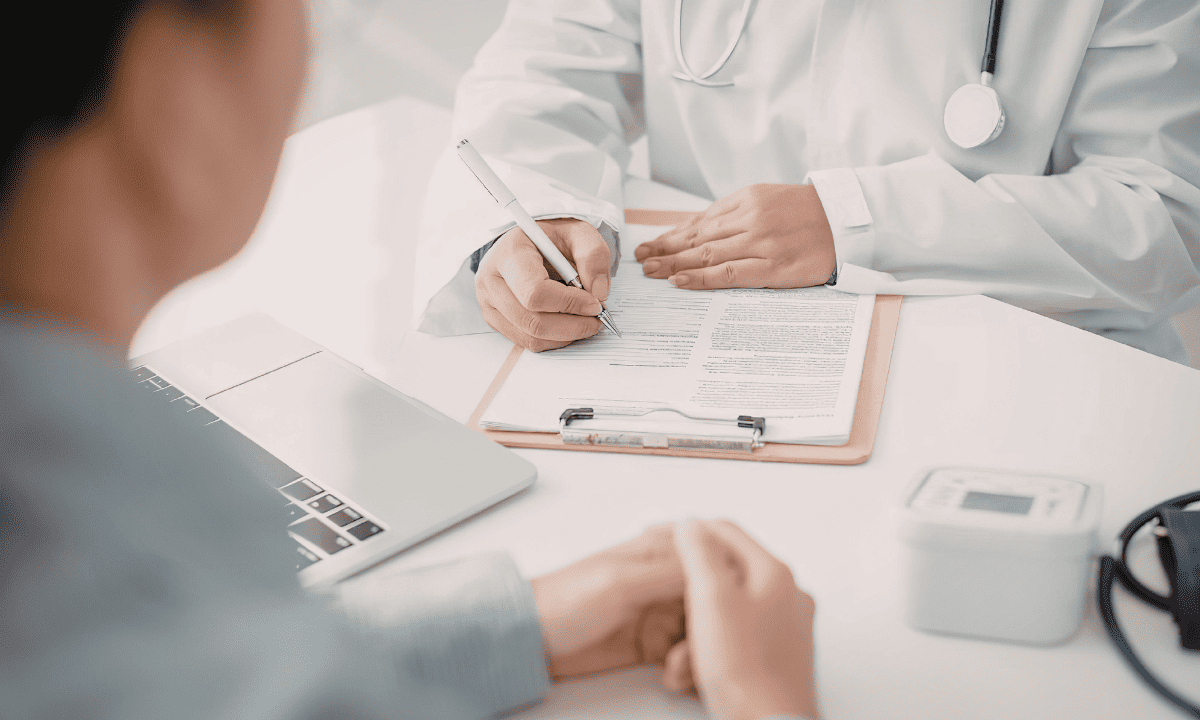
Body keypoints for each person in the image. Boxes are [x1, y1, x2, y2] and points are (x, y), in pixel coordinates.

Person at [0, 1, 819, 719]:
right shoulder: (110, 524)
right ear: (167, 86)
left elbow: (157, 681)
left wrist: (512, 623)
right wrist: (763, 700)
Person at [414, 0, 1200, 362]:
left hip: (1024, 358)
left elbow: (1162, 214)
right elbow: (548, 62)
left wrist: (855, 221)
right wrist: (529, 219)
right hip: (699, 342)